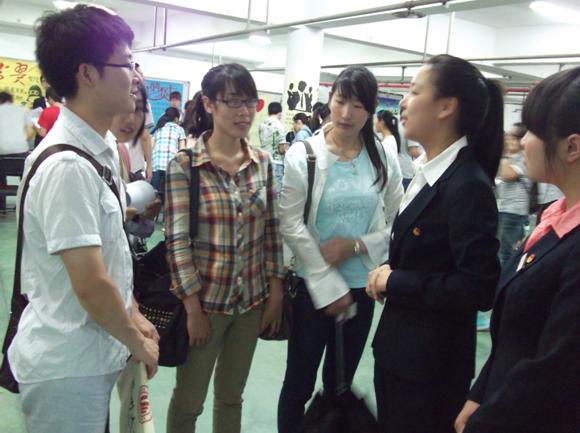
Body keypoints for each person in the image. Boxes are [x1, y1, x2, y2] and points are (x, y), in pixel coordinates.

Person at [6, 5, 159, 433]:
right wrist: (136, 342)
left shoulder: (101, 148)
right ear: (87, 74)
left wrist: (133, 313)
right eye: (127, 63)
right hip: (66, 368)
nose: (136, 76)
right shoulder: (67, 166)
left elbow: (110, 254)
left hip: (93, 354)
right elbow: (90, 283)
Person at [366, 54, 503, 433]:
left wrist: (396, 281)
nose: (403, 102)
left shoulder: (467, 185)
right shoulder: (429, 171)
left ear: (446, 107)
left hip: (430, 368)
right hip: (401, 353)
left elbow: (478, 286)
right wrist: (390, 274)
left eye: (414, 91)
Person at [278, 65, 404, 433]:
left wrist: (357, 245)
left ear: (371, 110)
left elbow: (399, 218)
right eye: (340, 101)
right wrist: (327, 285)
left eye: (358, 106)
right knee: (299, 382)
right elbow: (291, 222)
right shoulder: (305, 154)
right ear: (329, 100)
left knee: (340, 382)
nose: (347, 113)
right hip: (311, 287)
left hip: (361, 286)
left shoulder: (383, 156)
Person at [455, 66, 580, 433]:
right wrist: (480, 392)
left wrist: (485, 421)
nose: (523, 142)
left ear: (572, 147)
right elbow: (516, 335)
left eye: (533, 132)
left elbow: (554, 369)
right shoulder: (553, 217)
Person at [164, 63, 285, 433]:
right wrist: (192, 308)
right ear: (209, 104)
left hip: (251, 303)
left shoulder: (263, 163)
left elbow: (272, 229)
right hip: (206, 304)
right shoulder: (186, 165)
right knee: (189, 401)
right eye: (232, 101)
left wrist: (275, 293)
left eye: (250, 102)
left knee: (232, 396)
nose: (244, 112)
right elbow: (177, 241)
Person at [495, 122, 531, 265]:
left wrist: (506, 155)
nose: (508, 139)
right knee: (500, 249)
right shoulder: (510, 157)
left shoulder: (523, 158)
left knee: (507, 253)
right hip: (504, 208)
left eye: (513, 137)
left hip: (514, 212)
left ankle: (507, 277)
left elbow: (508, 175)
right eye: (508, 136)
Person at [150, 106, 186, 204]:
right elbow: (182, 150)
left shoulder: (158, 129)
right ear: (176, 119)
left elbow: (151, 147)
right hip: (171, 165)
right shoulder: (179, 129)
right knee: (169, 196)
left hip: (156, 164)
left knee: (153, 195)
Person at [376, 109, 414, 189]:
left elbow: (388, 168)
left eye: (376, 120)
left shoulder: (388, 142)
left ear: (381, 122)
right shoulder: (390, 139)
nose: (375, 123)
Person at [0, 91, 34, 156]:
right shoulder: (23, 109)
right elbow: (30, 132)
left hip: (2, 151)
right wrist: (21, 142)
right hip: (21, 150)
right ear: (11, 100)